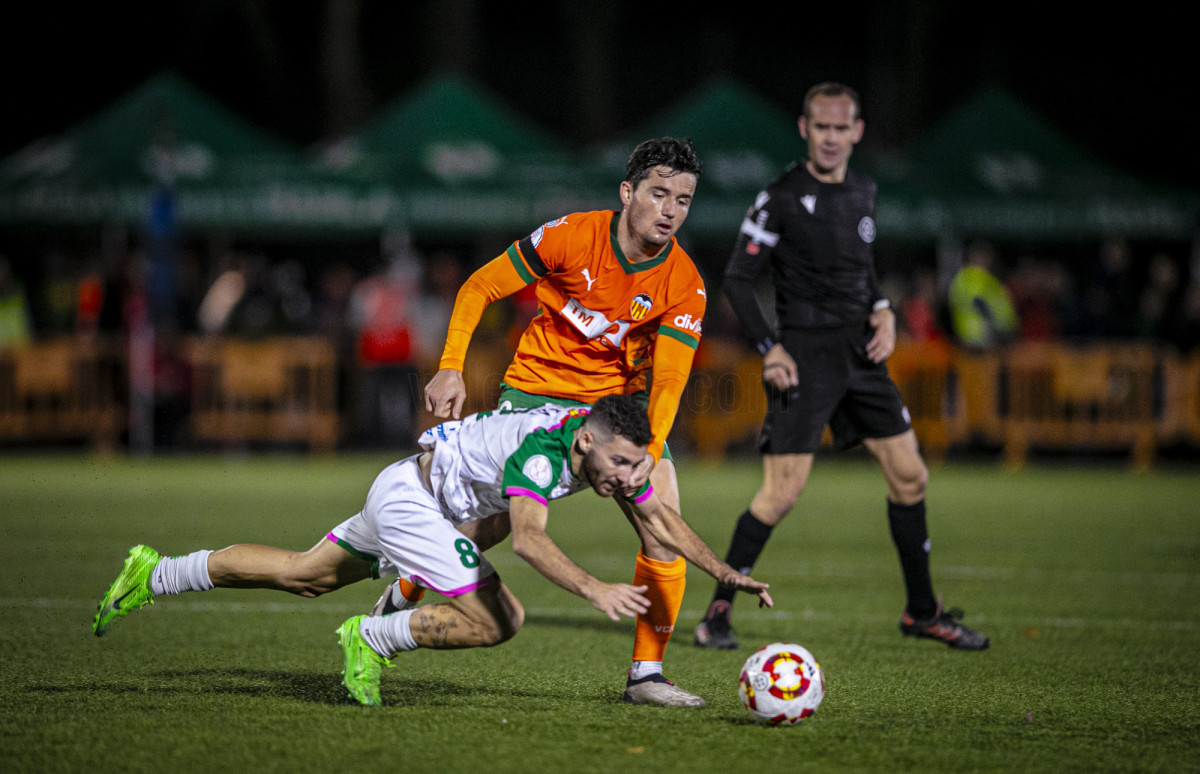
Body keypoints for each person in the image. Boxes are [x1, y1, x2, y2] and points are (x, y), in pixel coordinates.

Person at [91, 395, 771, 707]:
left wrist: (726, 573)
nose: (627, 478)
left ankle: (157, 572)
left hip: (408, 491)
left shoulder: (599, 449)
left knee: (305, 575)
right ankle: (372, 638)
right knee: (501, 619)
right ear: (589, 442)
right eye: (621, 464)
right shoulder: (543, 455)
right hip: (414, 505)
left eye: (635, 466)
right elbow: (529, 538)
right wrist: (595, 588)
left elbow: (661, 519)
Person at [693, 82, 989, 652]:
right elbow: (736, 278)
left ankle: (922, 613)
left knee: (910, 476)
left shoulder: (863, 190)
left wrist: (882, 309)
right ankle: (718, 613)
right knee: (781, 494)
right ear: (805, 129)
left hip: (861, 358)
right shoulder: (780, 196)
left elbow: (862, 266)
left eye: (840, 128)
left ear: (857, 132)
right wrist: (769, 348)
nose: (831, 138)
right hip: (803, 358)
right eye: (821, 127)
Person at [418, 137, 712, 706]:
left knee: (664, 527)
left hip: (616, 408)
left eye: (683, 200)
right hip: (538, 390)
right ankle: (411, 580)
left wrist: (649, 451)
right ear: (627, 193)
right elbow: (481, 285)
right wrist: (451, 365)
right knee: (494, 524)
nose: (670, 210)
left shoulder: (684, 282)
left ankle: (647, 676)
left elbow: (670, 382)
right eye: (658, 194)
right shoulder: (571, 235)